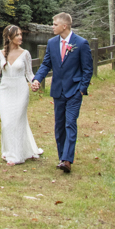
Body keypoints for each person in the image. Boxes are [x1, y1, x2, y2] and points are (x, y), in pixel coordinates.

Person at [31, 12, 93, 173]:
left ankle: (67, 160)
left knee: (70, 123)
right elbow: (46, 64)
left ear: (64, 26)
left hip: (74, 91)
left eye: (55, 24)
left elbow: (87, 69)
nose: (52, 27)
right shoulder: (52, 43)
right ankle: (62, 157)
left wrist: (81, 89)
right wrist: (37, 79)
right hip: (58, 90)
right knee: (59, 127)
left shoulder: (81, 43)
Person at [0, 24, 42, 165]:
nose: (20, 37)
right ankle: (9, 151)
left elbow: (29, 73)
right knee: (6, 122)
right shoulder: (0, 54)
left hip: (20, 89)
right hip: (5, 90)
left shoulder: (25, 54)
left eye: (21, 34)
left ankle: (16, 156)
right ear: (9, 37)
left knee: (17, 121)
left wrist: (34, 82)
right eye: (17, 35)